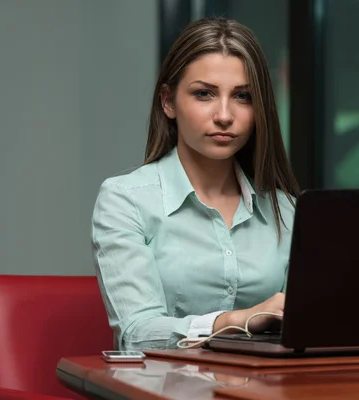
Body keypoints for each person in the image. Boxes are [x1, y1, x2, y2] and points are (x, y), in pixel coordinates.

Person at [91, 18, 299, 350]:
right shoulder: (125, 200)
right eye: (204, 94)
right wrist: (236, 321)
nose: (225, 115)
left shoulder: (286, 209)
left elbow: (304, 331)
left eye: (243, 96)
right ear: (168, 102)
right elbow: (138, 334)